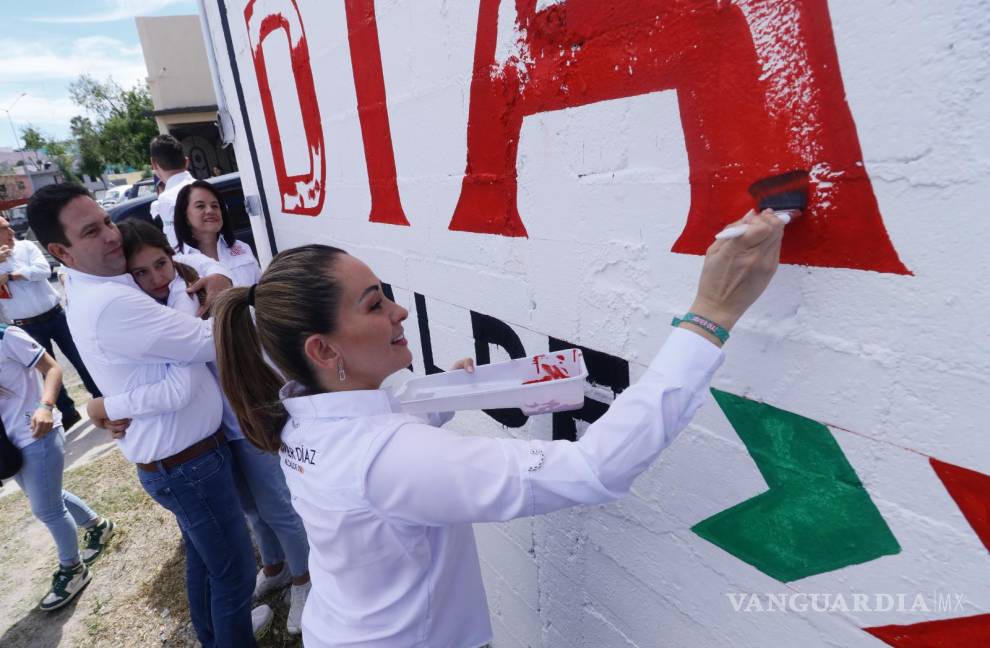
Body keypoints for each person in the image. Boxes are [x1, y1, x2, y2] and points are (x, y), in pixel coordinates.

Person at [211, 209, 786, 647]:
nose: (398, 312)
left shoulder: (300, 412)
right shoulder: (389, 458)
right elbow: (596, 469)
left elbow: (384, 426)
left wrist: (451, 389)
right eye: (373, 305)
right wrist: (710, 317)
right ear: (324, 349)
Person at [26, 183, 271, 646]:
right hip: (188, 463)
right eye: (92, 231)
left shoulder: (96, 279)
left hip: (180, 459)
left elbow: (174, 265)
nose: (112, 235)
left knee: (204, 562)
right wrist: (215, 292)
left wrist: (212, 275)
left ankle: (216, 634)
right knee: (234, 571)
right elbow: (206, 342)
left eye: (107, 220)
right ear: (61, 250)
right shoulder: (114, 302)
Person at [105, 218, 312, 635]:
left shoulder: (196, 286)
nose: (154, 278)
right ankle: (273, 567)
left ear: (172, 254)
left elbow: (222, 293)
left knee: (277, 506)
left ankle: (305, 580)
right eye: (140, 273)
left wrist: (215, 278)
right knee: (251, 510)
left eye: (159, 264)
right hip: (211, 434)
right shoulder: (144, 309)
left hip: (247, 416)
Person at [0, 323, 114, 611]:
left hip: (38, 431)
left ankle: (73, 569)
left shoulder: (6, 335)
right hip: (10, 443)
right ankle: (98, 526)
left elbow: (52, 369)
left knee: (46, 508)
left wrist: (46, 406)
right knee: (49, 496)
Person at [0, 214, 100, 430]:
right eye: (4, 229)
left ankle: (100, 396)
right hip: (25, 324)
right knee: (47, 370)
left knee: (81, 357)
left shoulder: (26, 247)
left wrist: (11, 274)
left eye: (9, 227)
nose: (11, 232)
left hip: (54, 314)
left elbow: (44, 271)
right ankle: (67, 412)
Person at [173, 180, 260, 287]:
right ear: (185, 216)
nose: (210, 211)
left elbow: (261, 290)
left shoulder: (242, 247)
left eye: (215, 206)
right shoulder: (178, 261)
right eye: (200, 206)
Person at [148, 134, 194, 247]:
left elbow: (174, 247)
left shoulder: (163, 202)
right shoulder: (210, 190)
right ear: (187, 161)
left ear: (153, 163)